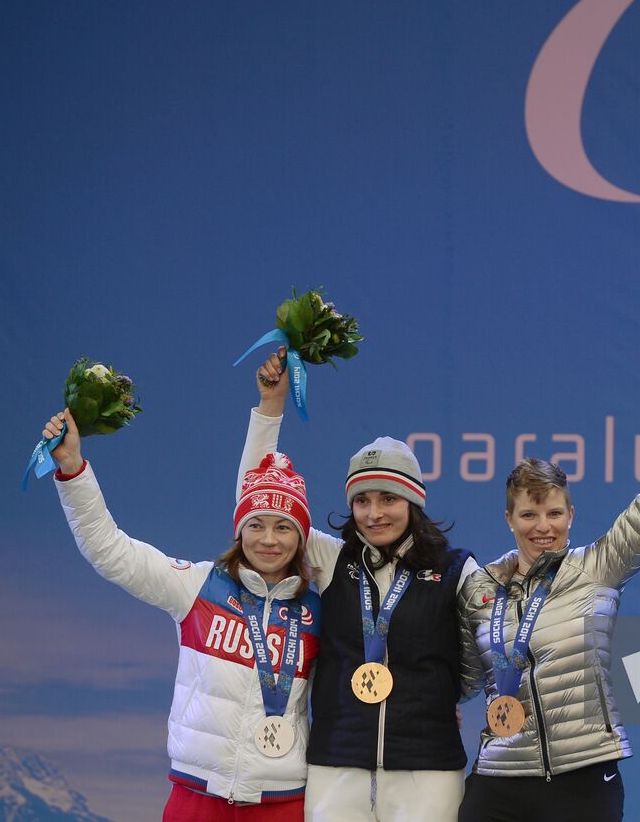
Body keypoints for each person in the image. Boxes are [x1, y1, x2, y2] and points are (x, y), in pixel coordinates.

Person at [455, 358, 640, 822]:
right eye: (528, 515)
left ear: (572, 515)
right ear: (508, 520)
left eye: (553, 513)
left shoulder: (597, 568)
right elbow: (462, 677)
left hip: (583, 779)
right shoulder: (478, 588)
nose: (542, 527)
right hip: (499, 778)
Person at [44, 407, 321, 820]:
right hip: (196, 798)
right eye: (256, 524)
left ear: (301, 539)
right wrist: (72, 469)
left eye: (283, 527)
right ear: (238, 529)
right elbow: (110, 552)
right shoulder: (197, 586)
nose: (268, 540)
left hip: (283, 803)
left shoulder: (318, 613)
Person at [240, 347, 479, 821]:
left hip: (427, 769)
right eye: (362, 500)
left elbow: (487, 656)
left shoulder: (456, 569)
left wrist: (444, 696)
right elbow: (256, 501)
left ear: (413, 501)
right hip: (336, 765)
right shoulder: (332, 559)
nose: (374, 514)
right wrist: (270, 410)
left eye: (388, 498)